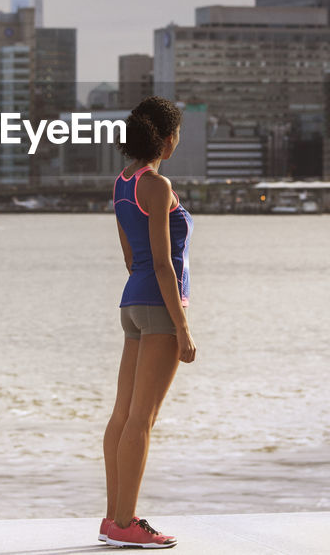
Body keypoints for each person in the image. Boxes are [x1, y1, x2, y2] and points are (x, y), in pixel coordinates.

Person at [100, 96, 196, 549]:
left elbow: (129, 257)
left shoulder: (121, 184)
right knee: (143, 418)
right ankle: (127, 522)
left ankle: (112, 518)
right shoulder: (157, 185)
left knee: (122, 414)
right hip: (158, 306)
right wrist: (183, 327)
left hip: (131, 306)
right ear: (168, 137)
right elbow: (163, 264)